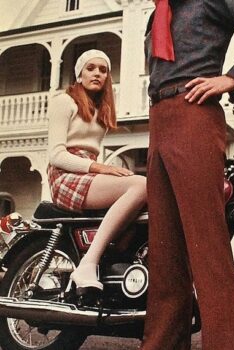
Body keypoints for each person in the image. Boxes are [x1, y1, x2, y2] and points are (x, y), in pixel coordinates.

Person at [141, 1, 234, 349]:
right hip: (158, 118)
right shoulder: (155, 15)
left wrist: (231, 77)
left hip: (194, 113)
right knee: (164, 250)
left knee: (207, 245)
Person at [47, 49, 147, 294]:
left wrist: (102, 170)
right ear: (79, 74)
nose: (97, 73)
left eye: (103, 70)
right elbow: (56, 155)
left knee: (149, 195)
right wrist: (99, 168)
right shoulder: (64, 101)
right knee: (141, 185)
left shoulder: (101, 111)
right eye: (91, 68)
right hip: (64, 175)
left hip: (87, 172)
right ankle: (88, 263)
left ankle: (116, 262)